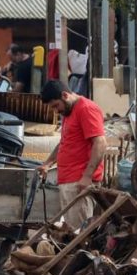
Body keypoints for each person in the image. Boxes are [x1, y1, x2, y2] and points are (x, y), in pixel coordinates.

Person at [35, 80, 107, 231]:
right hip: (70, 181)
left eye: (56, 106)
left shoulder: (86, 109)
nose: (56, 111)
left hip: (79, 182)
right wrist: (47, 163)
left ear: (65, 95)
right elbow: (64, 142)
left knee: (81, 233)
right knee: (72, 231)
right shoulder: (69, 112)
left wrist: (87, 176)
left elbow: (100, 143)